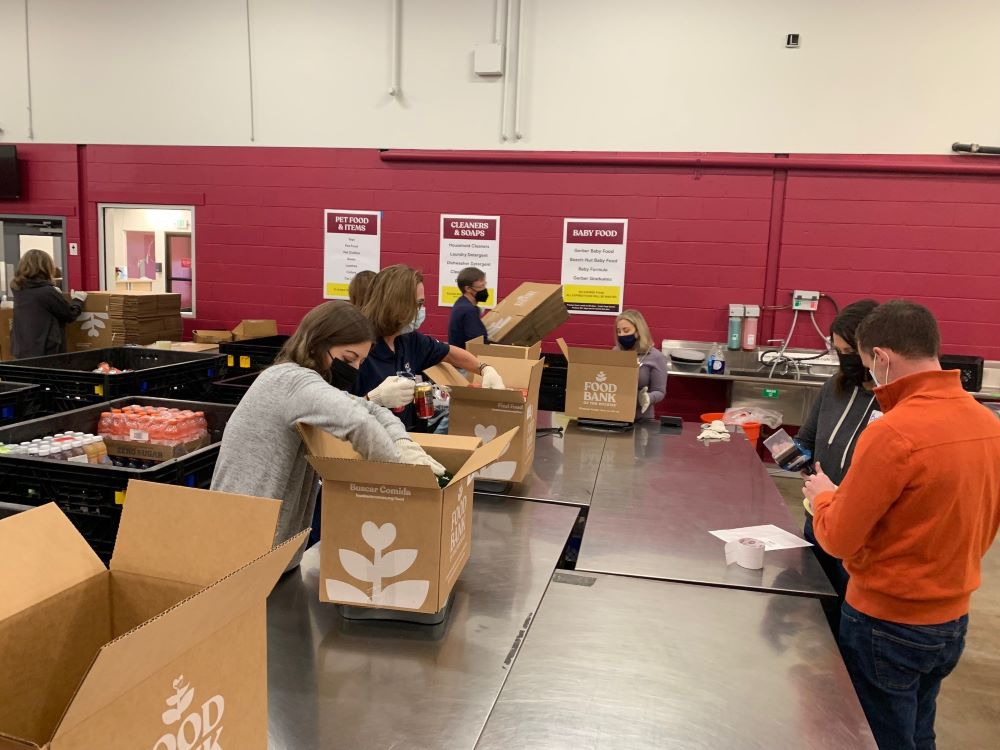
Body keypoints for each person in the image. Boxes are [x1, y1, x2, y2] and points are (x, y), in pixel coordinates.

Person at [804, 300, 1000, 750]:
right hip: (951, 619)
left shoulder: (893, 432)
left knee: (880, 735)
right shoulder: (987, 424)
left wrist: (824, 497)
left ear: (884, 358)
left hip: (885, 622)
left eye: (869, 364)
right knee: (917, 729)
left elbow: (837, 539)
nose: (868, 376)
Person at [211, 301, 446, 566]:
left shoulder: (304, 382)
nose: (355, 369)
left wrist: (405, 444)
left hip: (272, 548)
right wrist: (402, 481)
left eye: (361, 361)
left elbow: (373, 411)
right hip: (244, 546)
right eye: (348, 359)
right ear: (316, 344)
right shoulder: (293, 382)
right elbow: (359, 424)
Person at [796, 299, 879, 615]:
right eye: (837, 351)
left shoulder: (893, 401)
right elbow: (806, 440)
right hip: (816, 517)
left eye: (849, 352)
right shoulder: (835, 387)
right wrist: (794, 457)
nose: (844, 360)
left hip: (855, 532)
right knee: (818, 609)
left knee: (850, 614)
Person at [357, 264, 505, 430]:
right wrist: (372, 399)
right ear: (396, 304)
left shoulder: (408, 340)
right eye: (418, 304)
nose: (421, 310)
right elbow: (334, 413)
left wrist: (484, 369)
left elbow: (449, 353)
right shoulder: (357, 349)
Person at [10, 249, 86, 358]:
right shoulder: (47, 292)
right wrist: (77, 300)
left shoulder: (18, 289)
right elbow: (69, 314)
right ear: (46, 267)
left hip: (22, 348)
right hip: (45, 350)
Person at [614, 310, 666, 421]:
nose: (621, 334)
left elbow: (660, 391)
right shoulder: (616, 352)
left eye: (626, 330)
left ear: (638, 332)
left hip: (642, 418)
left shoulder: (656, 357)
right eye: (619, 331)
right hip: (616, 414)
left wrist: (647, 398)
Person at [447, 266, 490, 349]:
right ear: (468, 289)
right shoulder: (468, 310)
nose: (484, 289)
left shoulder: (461, 303)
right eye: (481, 287)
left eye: (485, 285)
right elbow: (479, 342)